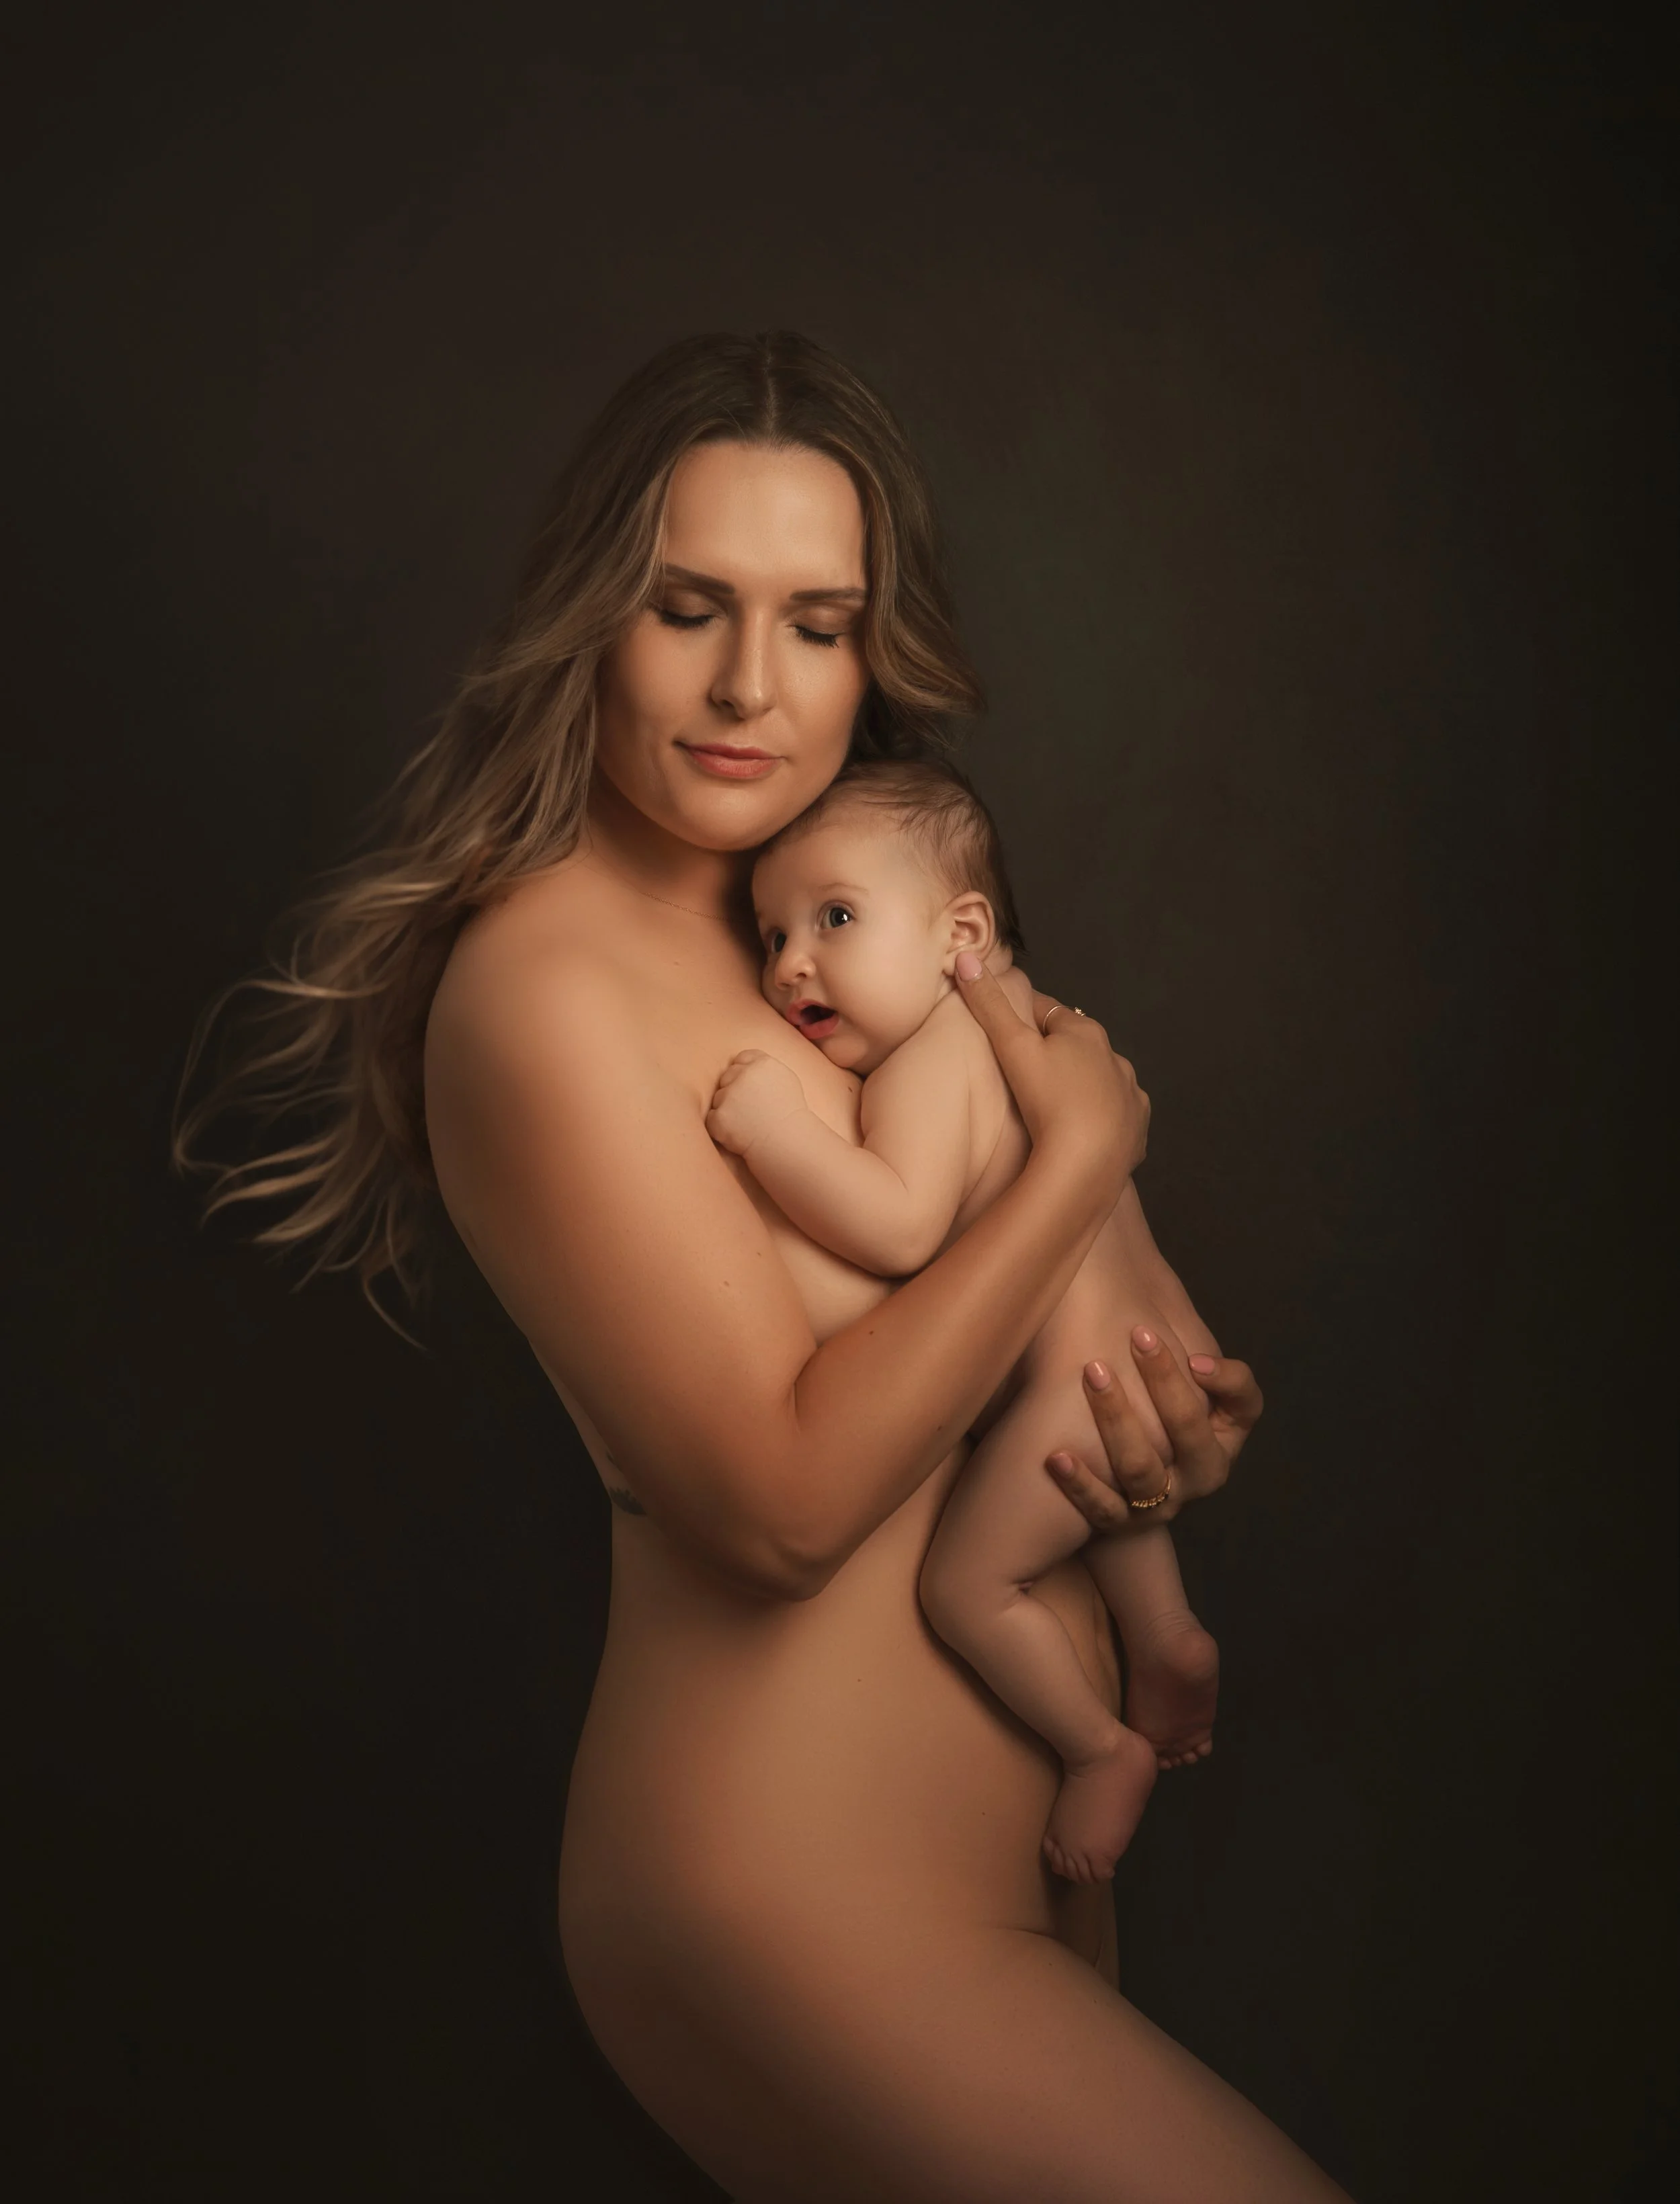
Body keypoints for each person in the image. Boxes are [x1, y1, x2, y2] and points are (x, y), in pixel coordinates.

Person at [181, 331, 1347, 2201]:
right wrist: (1080, 1157)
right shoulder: (544, 983)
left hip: (1012, 1872)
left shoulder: (843, 931)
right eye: (687, 608)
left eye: (817, 623)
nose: (750, 685)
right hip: (789, 1910)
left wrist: (1161, 1435)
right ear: (592, 619)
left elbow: (1099, 1323)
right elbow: (784, 1506)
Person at [708, 757, 1222, 1885]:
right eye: (771, 933)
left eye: (835, 918)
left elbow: (896, 1228)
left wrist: (774, 1133)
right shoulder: (1025, 1032)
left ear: (960, 932)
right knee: (1108, 1498)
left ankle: (1102, 1748)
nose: (792, 961)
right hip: (1148, 1348)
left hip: (1077, 1384)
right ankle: (1170, 1638)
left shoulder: (931, 1055)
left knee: (963, 1588)